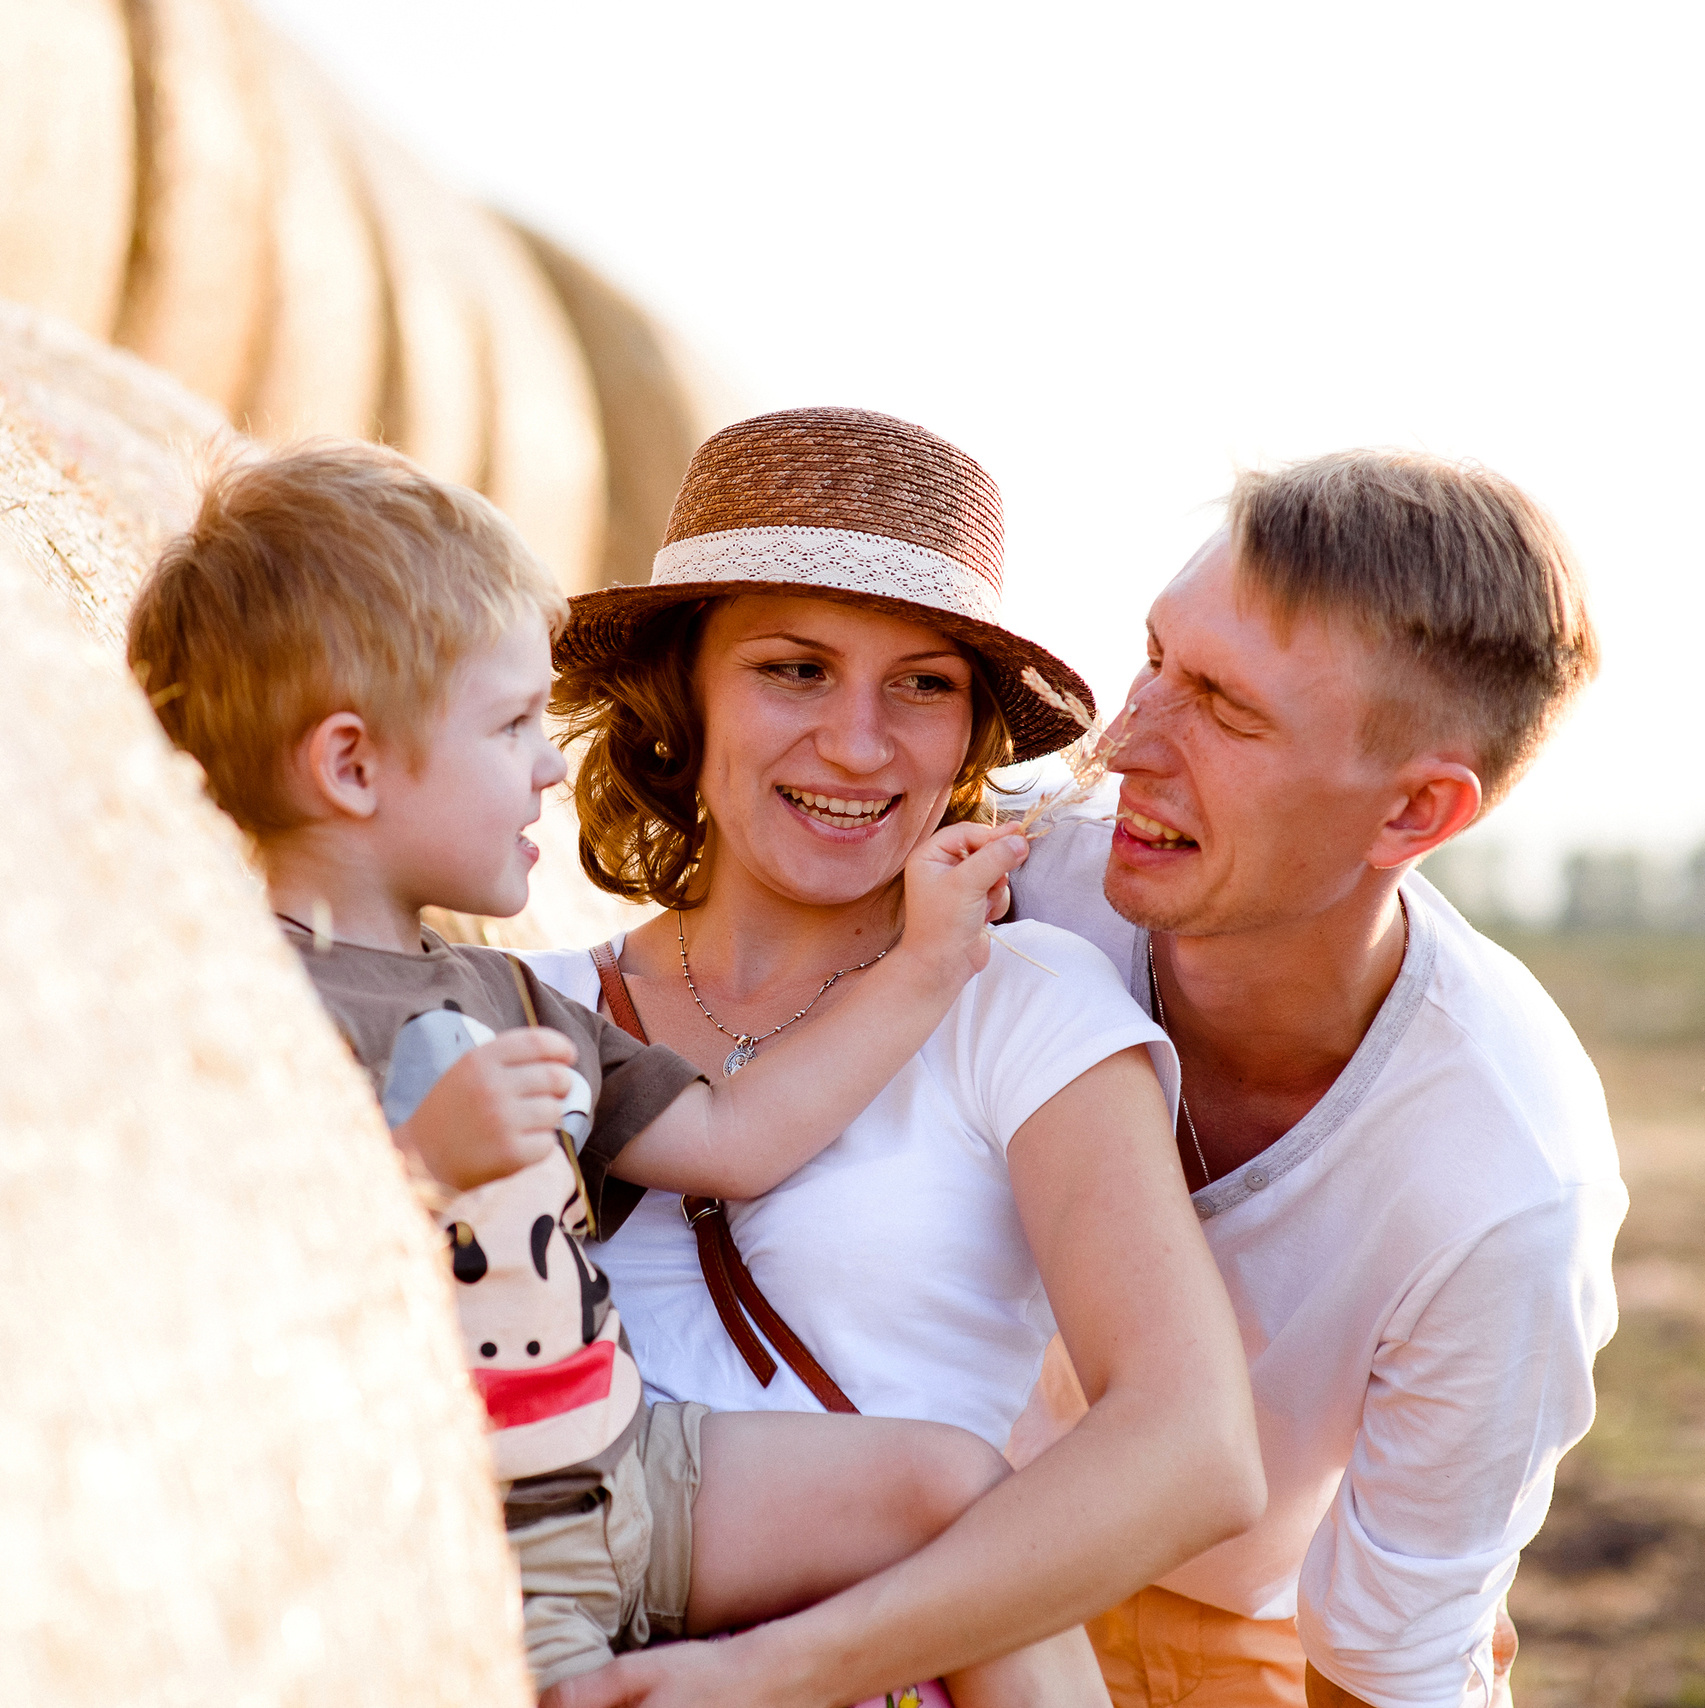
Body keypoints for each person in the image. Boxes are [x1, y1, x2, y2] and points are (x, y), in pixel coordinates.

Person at [122, 438, 1120, 1703]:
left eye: (921, 685)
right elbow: (185, 1284)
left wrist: (925, 968)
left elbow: (737, 1139)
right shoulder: (235, 1000)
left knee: (956, 1487)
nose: (546, 762)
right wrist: (414, 1171)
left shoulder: (518, 999)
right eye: (794, 668)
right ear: (351, 766)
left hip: (633, 1469)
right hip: (478, 1520)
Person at [525, 407, 1266, 1708]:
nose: (860, 745)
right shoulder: (521, 1010)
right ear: (680, 694)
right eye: (794, 670)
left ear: (972, 733)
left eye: (921, 684)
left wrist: (763, 1675)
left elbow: (1194, 1448)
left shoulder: (1020, 1003)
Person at [1001, 450, 1628, 1708]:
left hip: (1239, 1638)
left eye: (1226, 709)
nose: (1122, 742)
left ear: (1413, 816)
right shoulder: (1007, 883)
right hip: (910, 1541)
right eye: (1155, 657)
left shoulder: (1505, 1181)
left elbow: (1385, 1658)